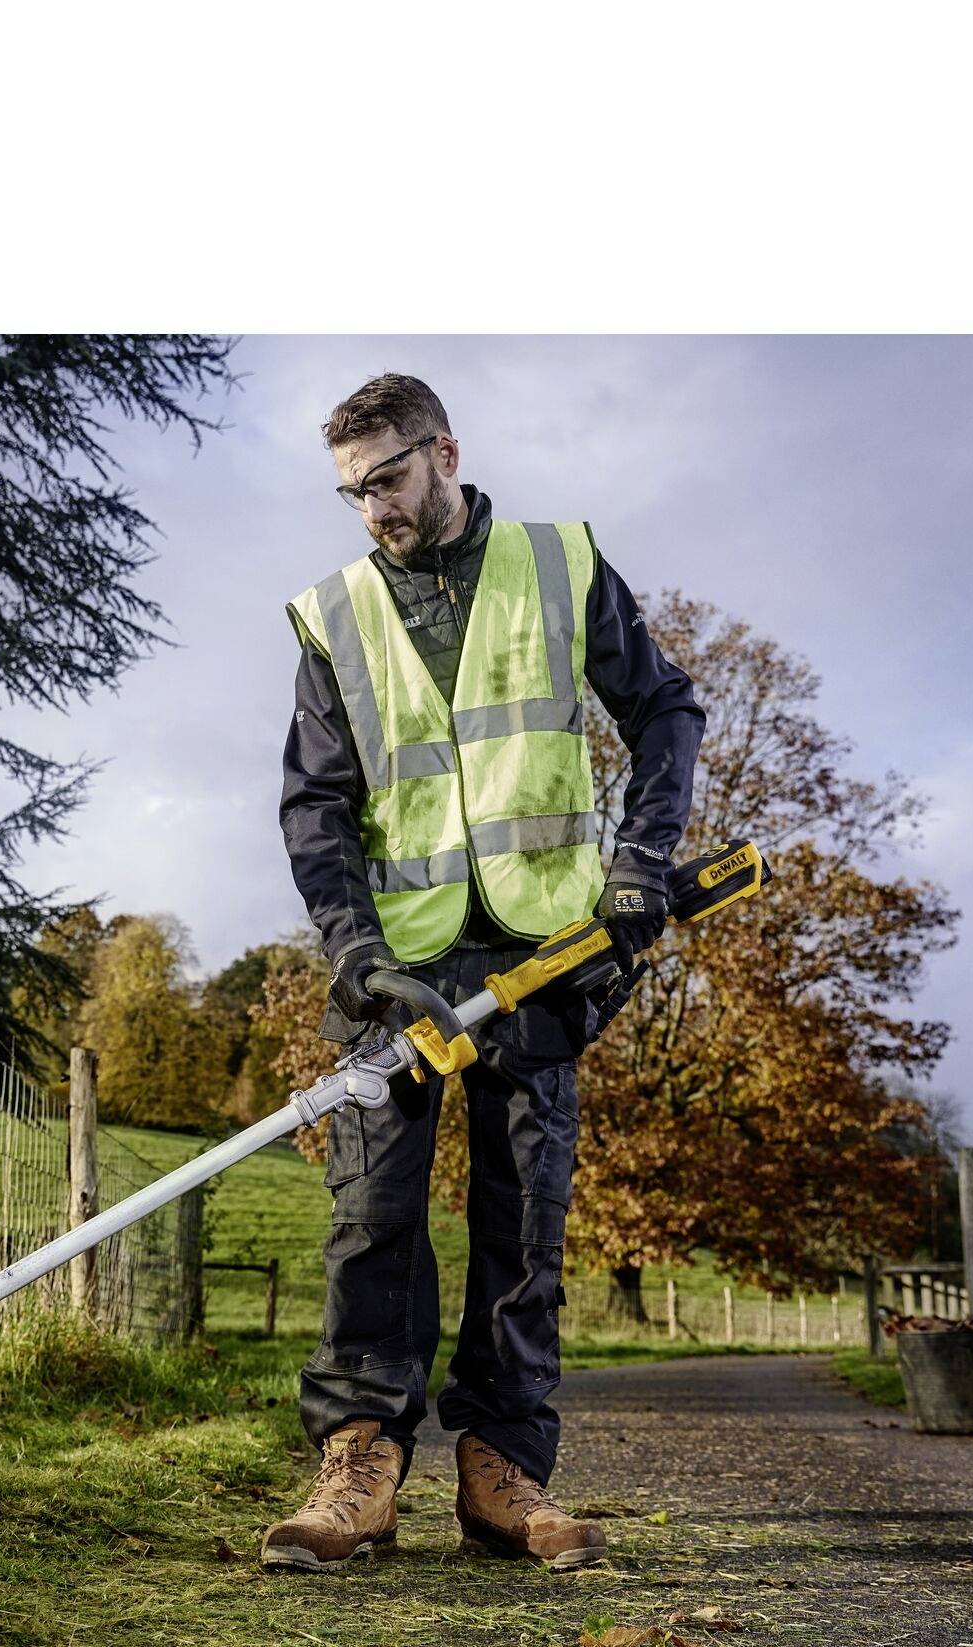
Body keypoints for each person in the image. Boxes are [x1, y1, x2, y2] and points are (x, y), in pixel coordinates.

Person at [263, 372, 706, 1573]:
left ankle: (502, 1470)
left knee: (524, 1216)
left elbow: (663, 711)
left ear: (444, 451)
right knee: (372, 1213)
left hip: (543, 949)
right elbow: (315, 805)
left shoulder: (559, 565)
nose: (374, 511)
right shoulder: (335, 615)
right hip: (396, 969)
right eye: (351, 493)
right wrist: (354, 954)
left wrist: (641, 860)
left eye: (390, 480)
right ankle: (358, 1460)